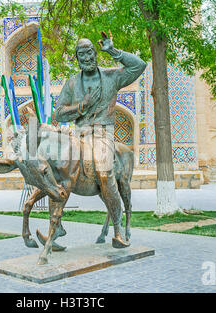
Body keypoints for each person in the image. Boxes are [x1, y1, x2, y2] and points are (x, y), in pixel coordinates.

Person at [54, 31, 147, 247]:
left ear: (96, 54)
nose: (86, 59)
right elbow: (59, 113)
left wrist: (113, 51)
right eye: (81, 55)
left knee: (105, 174)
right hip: (79, 135)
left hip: (103, 133)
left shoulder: (111, 77)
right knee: (57, 173)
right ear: (77, 59)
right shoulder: (71, 84)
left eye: (90, 54)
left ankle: (118, 231)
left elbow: (139, 66)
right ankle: (55, 228)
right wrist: (81, 106)